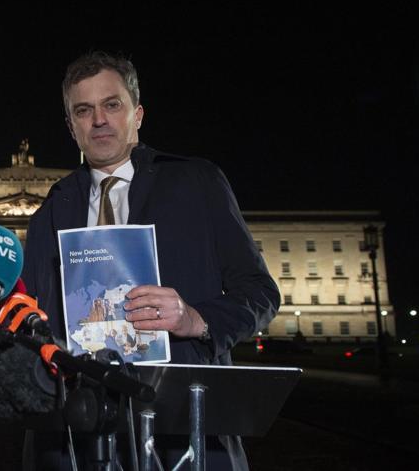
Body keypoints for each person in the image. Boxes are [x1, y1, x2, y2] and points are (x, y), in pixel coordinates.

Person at [23, 51, 280, 470]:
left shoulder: (197, 182)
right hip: (81, 432)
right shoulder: (49, 212)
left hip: (183, 429)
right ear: (71, 127)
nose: (99, 120)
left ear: (137, 114)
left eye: (112, 105)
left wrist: (194, 318)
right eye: (83, 111)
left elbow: (261, 293)